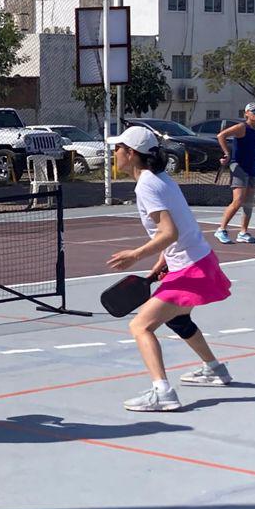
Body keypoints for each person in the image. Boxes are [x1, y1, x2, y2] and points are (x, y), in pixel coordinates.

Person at [105, 125, 234, 412]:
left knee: (140, 326)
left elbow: (169, 232)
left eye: (118, 149)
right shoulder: (161, 178)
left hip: (191, 268)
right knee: (178, 320)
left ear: (132, 154)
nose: (114, 154)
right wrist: (163, 261)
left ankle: (162, 392)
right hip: (197, 260)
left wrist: (135, 255)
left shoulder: (147, 185)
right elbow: (181, 227)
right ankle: (215, 369)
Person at [214, 103, 255, 244]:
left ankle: (243, 232)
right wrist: (227, 153)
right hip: (240, 167)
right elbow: (221, 135)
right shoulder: (242, 127)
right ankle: (221, 229)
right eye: (253, 111)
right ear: (247, 113)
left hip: (253, 167)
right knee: (238, 200)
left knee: (249, 202)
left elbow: (254, 145)